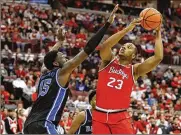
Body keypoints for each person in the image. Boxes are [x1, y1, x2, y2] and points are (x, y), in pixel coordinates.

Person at [23, 4, 118, 134]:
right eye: (62, 56)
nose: (65, 56)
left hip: (29, 124)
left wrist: (60, 42)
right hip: (44, 124)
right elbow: (88, 48)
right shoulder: (62, 72)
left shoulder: (44, 73)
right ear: (56, 63)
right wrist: (107, 25)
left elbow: (48, 57)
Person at [93, 17, 163, 134]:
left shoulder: (134, 70)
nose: (124, 47)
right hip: (99, 115)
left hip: (120, 116)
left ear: (134, 56)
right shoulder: (107, 61)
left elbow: (158, 57)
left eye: (129, 47)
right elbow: (105, 46)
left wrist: (158, 32)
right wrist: (127, 29)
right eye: (123, 46)